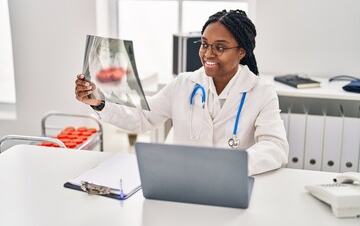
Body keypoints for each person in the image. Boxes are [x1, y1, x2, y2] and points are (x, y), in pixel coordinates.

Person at [75, 9, 289, 176]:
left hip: (232, 182)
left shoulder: (261, 91)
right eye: (204, 44)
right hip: (182, 179)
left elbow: (275, 147)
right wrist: (99, 102)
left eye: (220, 47)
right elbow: (143, 117)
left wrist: (231, 166)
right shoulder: (185, 84)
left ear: (242, 52)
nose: (207, 53)